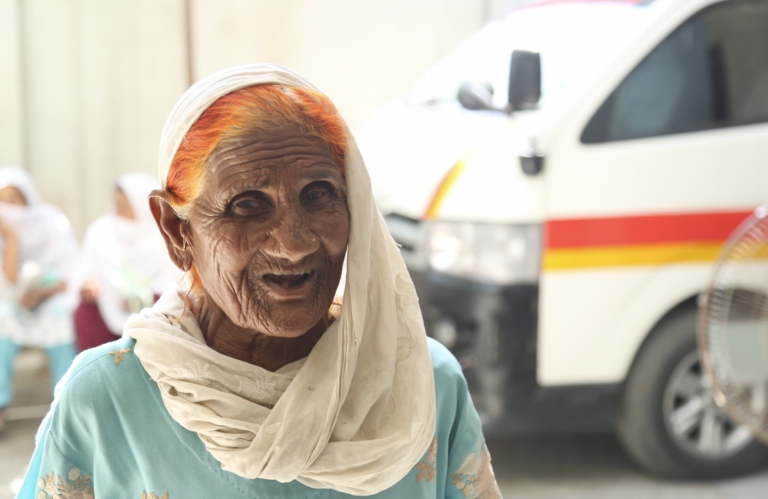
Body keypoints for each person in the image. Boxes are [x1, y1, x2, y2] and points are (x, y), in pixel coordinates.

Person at [18, 65, 501, 498]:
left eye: (318, 195)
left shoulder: (421, 382)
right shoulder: (108, 400)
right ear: (176, 230)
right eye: (247, 205)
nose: (293, 242)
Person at [0, 167, 78, 431]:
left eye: (14, 200)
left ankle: (67, 401)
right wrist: (10, 237)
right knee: (4, 318)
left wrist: (41, 293)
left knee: (60, 315)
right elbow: (8, 284)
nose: (8, 207)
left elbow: (69, 273)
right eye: (2, 201)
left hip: (50, 296)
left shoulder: (51, 222)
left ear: (27, 199)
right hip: (15, 303)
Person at [74, 173, 181, 352]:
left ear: (146, 209)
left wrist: (141, 298)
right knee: (85, 312)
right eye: (116, 205)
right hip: (108, 311)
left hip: (155, 310)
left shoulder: (165, 235)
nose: (116, 212)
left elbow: (176, 283)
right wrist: (89, 288)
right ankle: (100, 372)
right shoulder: (101, 231)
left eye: (124, 206)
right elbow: (85, 274)